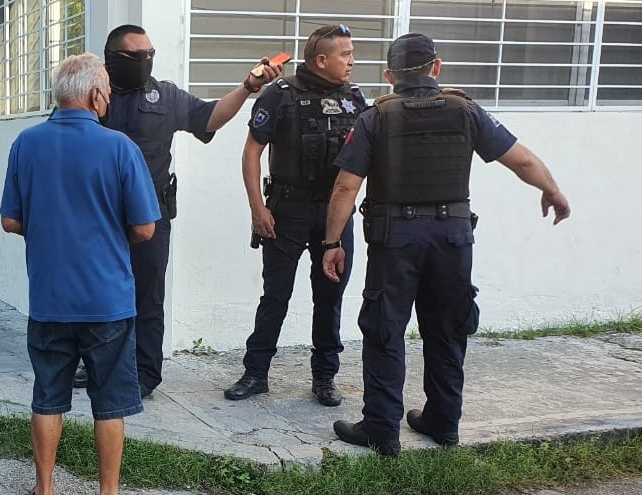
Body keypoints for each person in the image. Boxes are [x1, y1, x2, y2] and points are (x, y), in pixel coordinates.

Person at [321, 34, 571, 456]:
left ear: (389, 76)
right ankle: (443, 422)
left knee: (385, 329)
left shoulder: (374, 117)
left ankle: (381, 429)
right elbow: (522, 159)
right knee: (448, 328)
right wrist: (552, 190)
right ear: (436, 68)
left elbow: (346, 186)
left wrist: (332, 242)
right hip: (452, 238)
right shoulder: (465, 110)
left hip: (395, 239)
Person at [0, 53, 159, 495]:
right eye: (107, 91)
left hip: (49, 299)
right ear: (94, 95)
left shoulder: (26, 144)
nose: (108, 98)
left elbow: (10, 220)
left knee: (47, 396)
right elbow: (146, 228)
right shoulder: (119, 148)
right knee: (109, 402)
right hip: (106, 300)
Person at [92, 24, 283, 398]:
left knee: (147, 298)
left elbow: (209, 118)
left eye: (150, 53)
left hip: (150, 214)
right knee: (100, 294)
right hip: (98, 215)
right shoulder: (93, 94)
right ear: (113, 59)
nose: (146, 60)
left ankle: (144, 375)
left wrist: (248, 87)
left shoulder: (164, 96)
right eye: (137, 55)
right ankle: (100, 364)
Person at [224, 25, 366, 407]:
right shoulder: (279, 95)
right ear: (321, 60)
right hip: (286, 211)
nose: (353, 61)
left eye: (352, 54)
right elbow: (251, 152)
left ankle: (324, 377)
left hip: (335, 214)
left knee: (329, 296)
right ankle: (256, 373)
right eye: (345, 54)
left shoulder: (355, 99)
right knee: (276, 296)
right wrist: (257, 207)